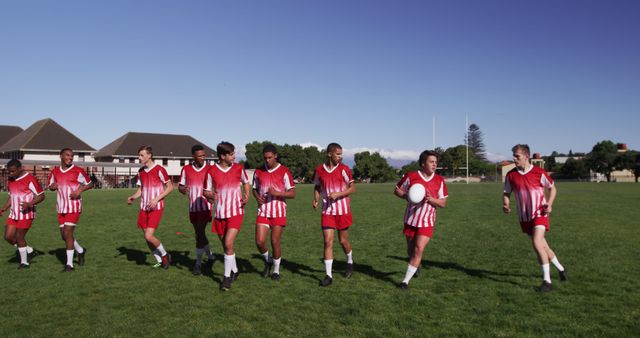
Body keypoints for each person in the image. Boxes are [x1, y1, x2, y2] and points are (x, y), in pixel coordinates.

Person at [503, 144, 567, 292]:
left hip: (540, 213)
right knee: (544, 246)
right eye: (513, 155)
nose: (514, 158)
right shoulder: (511, 175)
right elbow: (506, 192)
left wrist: (549, 204)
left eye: (517, 156)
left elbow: (552, 188)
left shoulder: (539, 172)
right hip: (525, 216)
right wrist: (505, 204)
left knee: (537, 242)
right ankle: (561, 269)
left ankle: (547, 281)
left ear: (526, 157)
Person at [394, 150, 448, 290]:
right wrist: (407, 196)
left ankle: (405, 281)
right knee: (411, 249)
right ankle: (415, 266)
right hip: (410, 219)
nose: (434, 165)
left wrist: (432, 200)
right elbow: (397, 190)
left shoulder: (439, 180)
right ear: (423, 163)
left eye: (436, 162)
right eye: (431, 162)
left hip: (427, 221)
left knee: (419, 249)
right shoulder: (411, 176)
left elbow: (443, 203)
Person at [203, 141, 251, 291]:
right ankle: (235, 270)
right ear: (223, 156)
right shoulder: (211, 171)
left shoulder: (238, 168)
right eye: (231, 154)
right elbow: (205, 191)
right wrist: (210, 195)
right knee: (226, 245)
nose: (234, 156)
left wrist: (247, 195)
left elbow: (246, 182)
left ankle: (226, 278)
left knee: (229, 243)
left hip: (236, 212)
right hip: (220, 213)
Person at [313, 143, 355, 287]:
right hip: (327, 211)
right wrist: (316, 198)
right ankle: (328, 275)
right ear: (329, 154)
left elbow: (352, 188)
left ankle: (349, 261)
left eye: (341, 154)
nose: (340, 157)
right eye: (338, 154)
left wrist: (339, 194)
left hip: (342, 211)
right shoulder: (319, 170)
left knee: (343, 241)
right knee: (328, 241)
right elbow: (317, 185)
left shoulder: (344, 169)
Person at [252, 144, 296, 281]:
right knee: (259, 242)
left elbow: (293, 193)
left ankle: (276, 271)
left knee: (275, 241)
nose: (267, 161)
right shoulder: (258, 171)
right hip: (263, 211)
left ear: (276, 156)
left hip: (278, 212)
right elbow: (254, 188)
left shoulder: (284, 171)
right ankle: (268, 260)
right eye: (265, 158)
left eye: (270, 158)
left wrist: (277, 193)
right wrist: (257, 197)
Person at [127, 146, 173, 269]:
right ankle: (159, 260)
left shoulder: (159, 169)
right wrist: (133, 197)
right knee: (147, 237)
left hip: (156, 207)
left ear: (149, 155)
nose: (139, 157)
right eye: (139, 155)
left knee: (149, 236)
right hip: (144, 208)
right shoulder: (141, 171)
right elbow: (141, 189)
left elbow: (170, 187)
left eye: (142, 155)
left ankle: (165, 255)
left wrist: (157, 199)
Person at [48, 148, 93, 272]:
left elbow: (90, 183)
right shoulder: (55, 172)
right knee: (64, 236)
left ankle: (69, 265)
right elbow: (51, 186)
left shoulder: (78, 171)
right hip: (61, 207)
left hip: (74, 207)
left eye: (72, 156)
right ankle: (80, 250)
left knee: (67, 233)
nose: (70, 158)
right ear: (61, 156)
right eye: (67, 155)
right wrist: (52, 187)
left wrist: (79, 191)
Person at [178, 144, 216, 275]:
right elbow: (181, 186)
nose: (202, 158)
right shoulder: (186, 169)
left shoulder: (211, 169)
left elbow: (217, 185)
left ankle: (198, 264)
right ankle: (210, 257)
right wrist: (183, 190)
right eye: (199, 156)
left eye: (204, 155)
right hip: (193, 207)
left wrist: (213, 197)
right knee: (199, 234)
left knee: (199, 232)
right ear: (193, 156)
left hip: (206, 206)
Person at [0, 159, 45, 269]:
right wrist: (5, 208)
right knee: (8, 237)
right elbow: (12, 196)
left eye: (13, 171)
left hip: (26, 213)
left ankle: (24, 262)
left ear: (20, 169)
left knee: (20, 237)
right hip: (14, 213)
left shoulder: (30, 179)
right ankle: (28, 250)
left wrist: (30, 204)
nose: (10, 174)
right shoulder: (11, 180)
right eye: (9, 172)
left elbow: (41, 196)